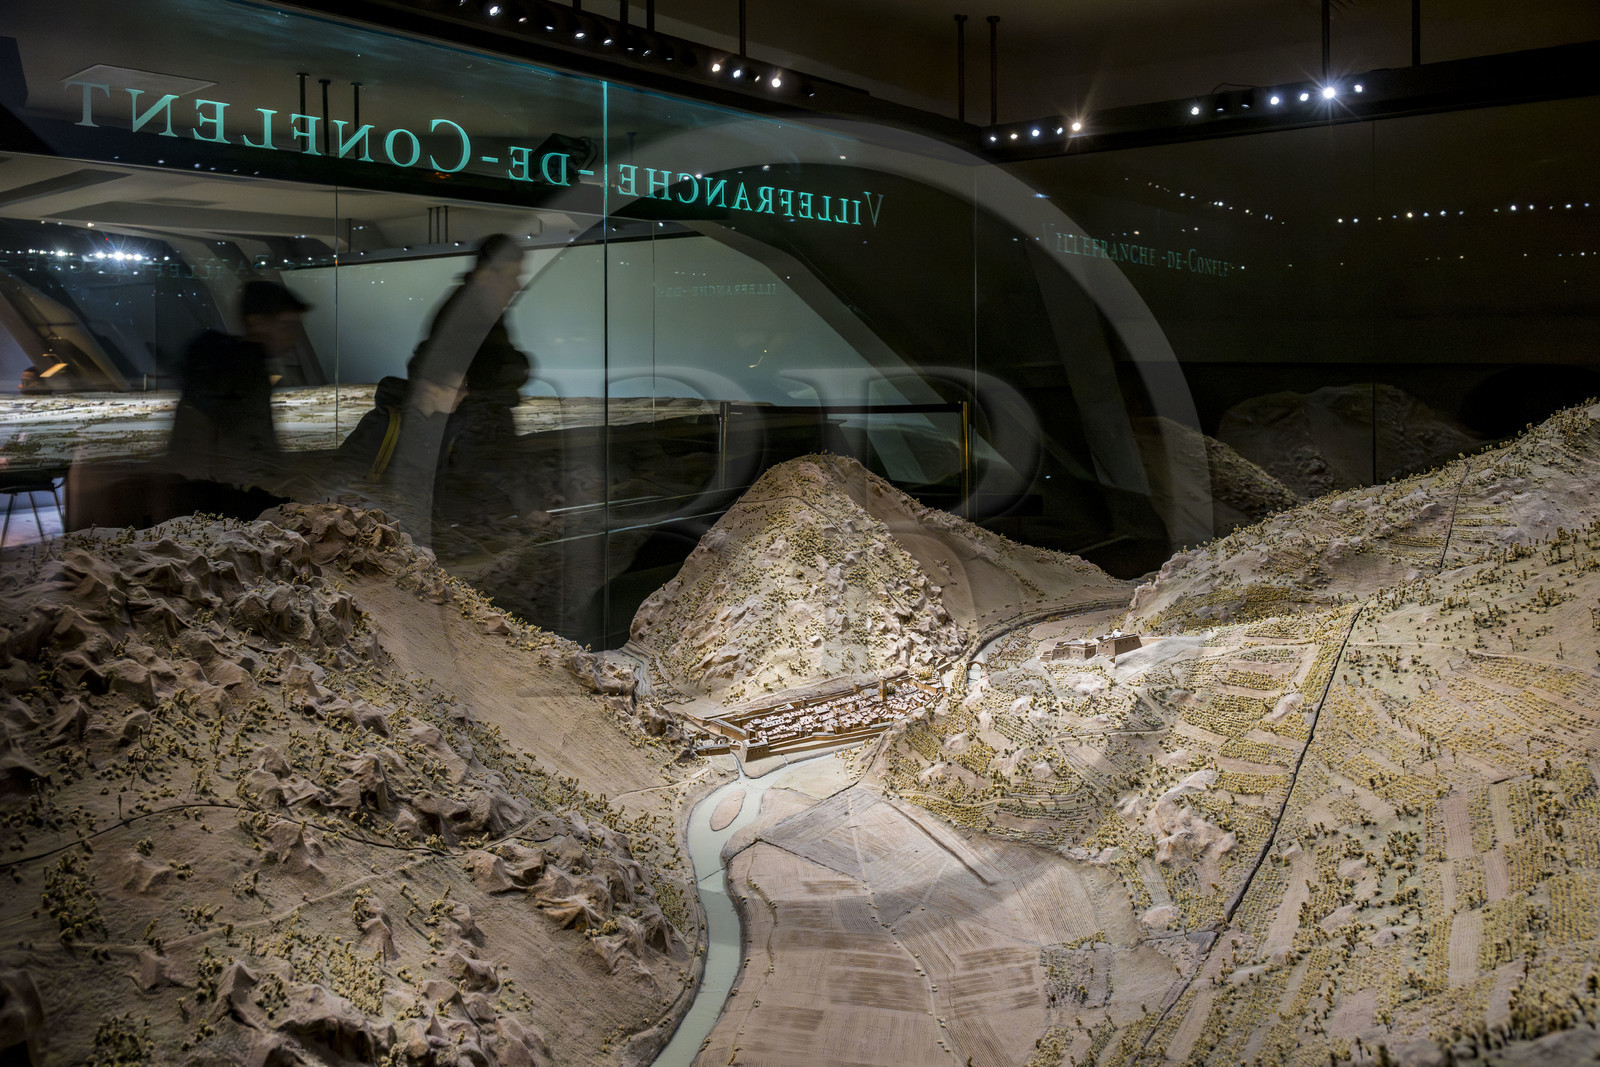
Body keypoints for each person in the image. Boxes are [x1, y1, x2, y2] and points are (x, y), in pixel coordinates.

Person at [392, 235, 533, 538]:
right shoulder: (470, 311)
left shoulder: (481, 307)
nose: (516, 285)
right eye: (511, 276)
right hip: (470, 442)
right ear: (485, 274)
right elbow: (490, 370)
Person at [167, 280, 308, 490]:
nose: (294, 336)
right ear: (257, 323)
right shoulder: (244, 372)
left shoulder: (225, 363)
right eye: (286, 327)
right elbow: (243, 449)